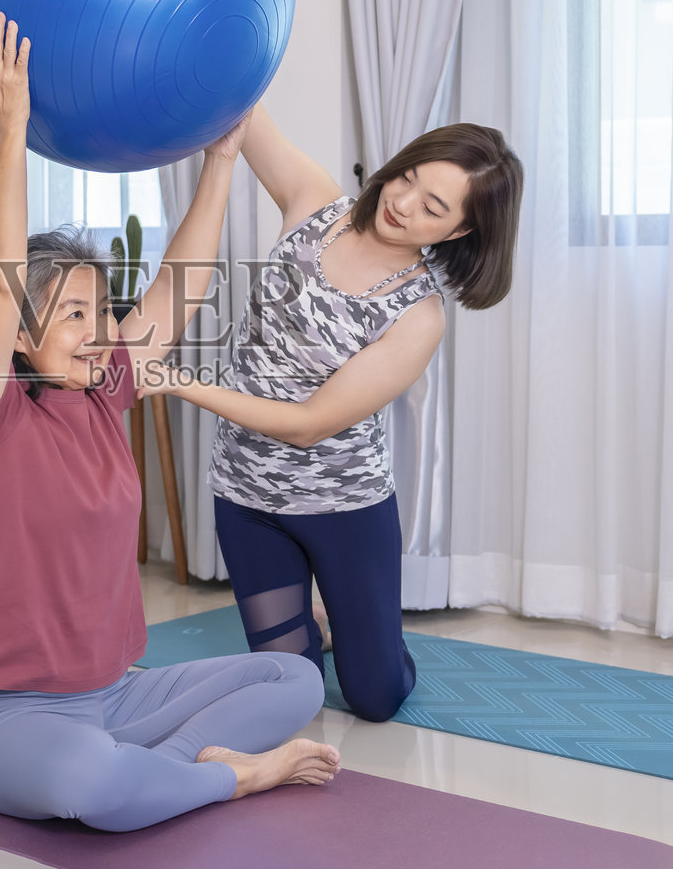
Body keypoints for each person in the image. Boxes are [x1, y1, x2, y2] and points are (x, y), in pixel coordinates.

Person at [0, 13, 340, 833]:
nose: (98, 331)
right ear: (21, 332)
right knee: (92, 786)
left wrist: (221, 159)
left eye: (101, 311)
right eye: (72, 314)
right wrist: (13, 125)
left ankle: (169, 766)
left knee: (295, 678)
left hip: (118, 695)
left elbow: (181, 282)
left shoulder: (104, 390)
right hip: (1, 714)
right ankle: (227, 776)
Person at [138, 102, 523, 723]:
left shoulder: (418, 317)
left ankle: (370, 637)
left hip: (343, 507)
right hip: (246, 496)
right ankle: (315, 621)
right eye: (408, 178)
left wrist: (177, 382)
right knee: (294, 687)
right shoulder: (315, 202)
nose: (402, 203)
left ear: (457, 233)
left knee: (375, 698)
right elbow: (245, 104)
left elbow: (310, 424)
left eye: (432, 207)